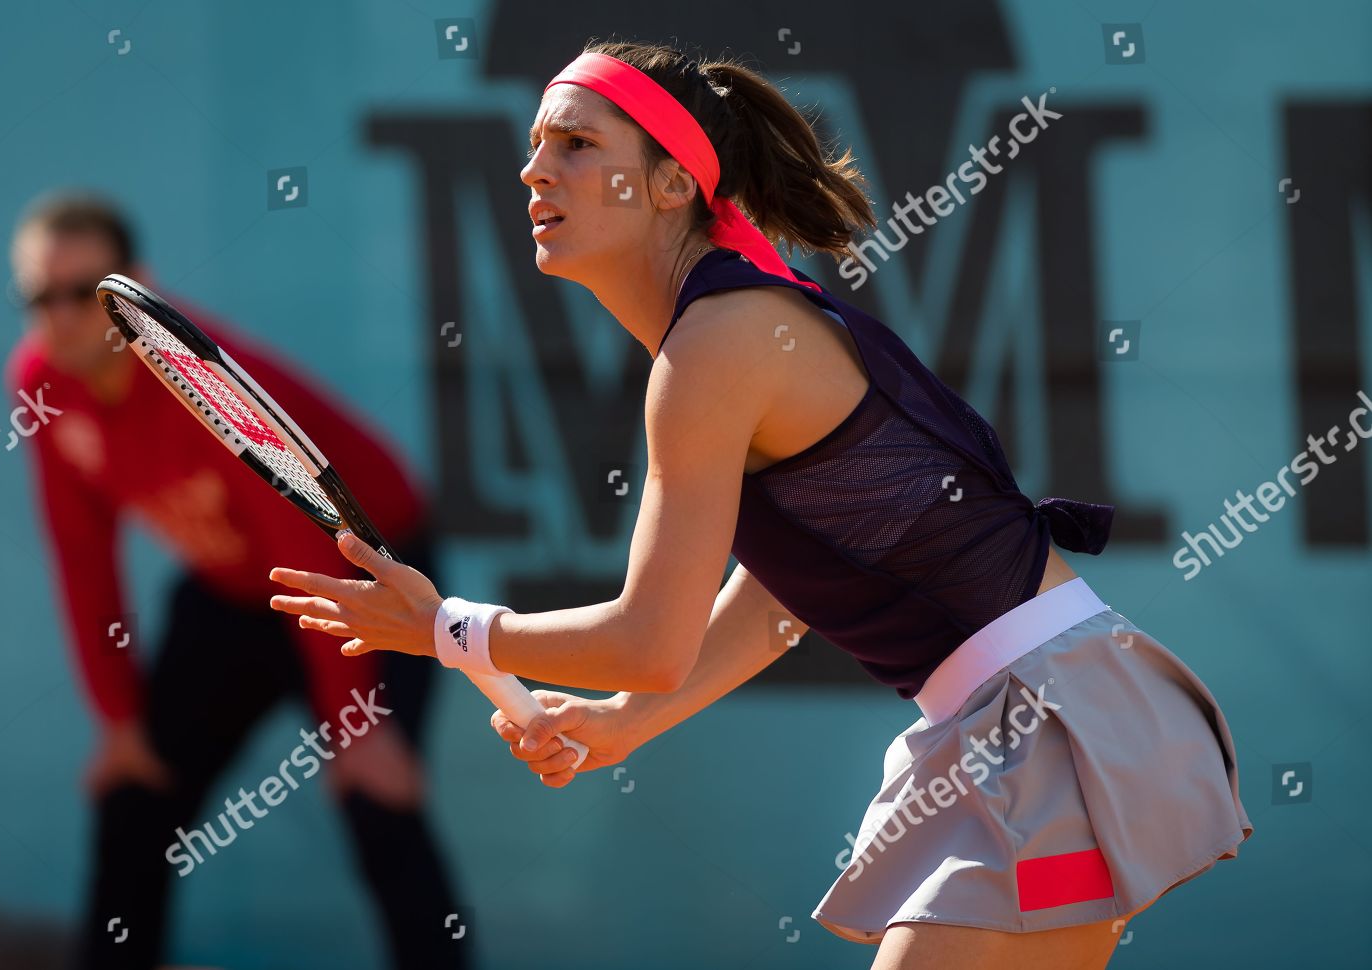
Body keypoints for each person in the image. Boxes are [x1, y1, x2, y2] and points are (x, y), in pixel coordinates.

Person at [266, 42, 1253, 970]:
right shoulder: (732, 329)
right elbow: (782, 599)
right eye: (533, 148)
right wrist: (623, 726)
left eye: (575, 144)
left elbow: (648, 637)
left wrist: (446, 629)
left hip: (1047, 735)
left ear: (667, 185)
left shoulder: (717, 344)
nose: (535, 172)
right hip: (1070, 720)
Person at [6, 192, 467, 970]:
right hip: (233, 595)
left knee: (377, 796)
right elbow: (80, 554)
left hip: (371, 576)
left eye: (85, 292)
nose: (63, 315)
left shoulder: (195, 373)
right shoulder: (41, 382)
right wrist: (117, 717)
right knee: (135, 793)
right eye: (40, 298)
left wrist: (354, 725)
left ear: (136, 286)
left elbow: (312, 536)